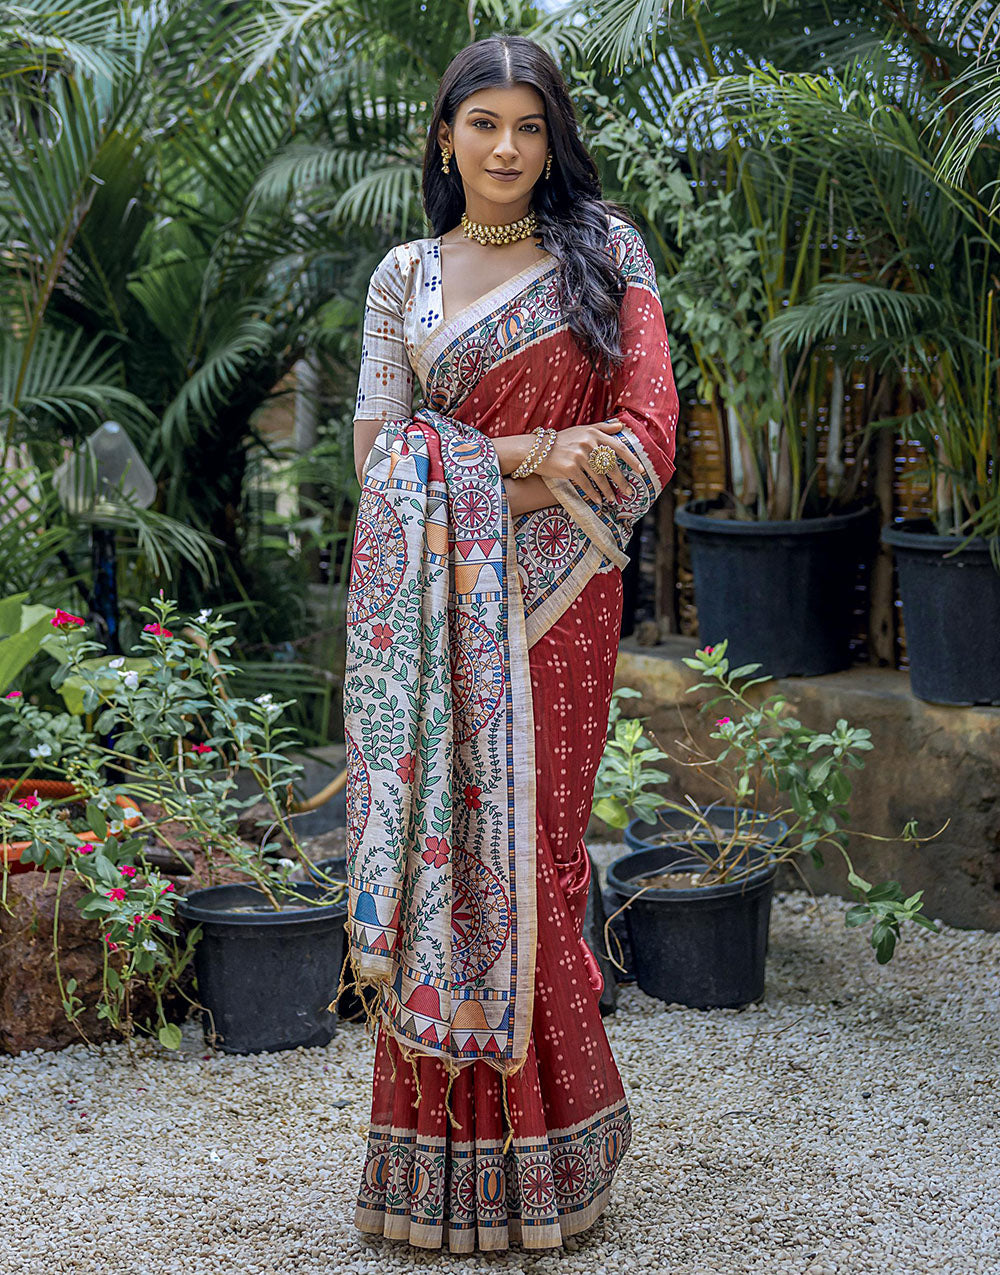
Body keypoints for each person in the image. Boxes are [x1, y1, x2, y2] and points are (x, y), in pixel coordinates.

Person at [344, 33, 678, 1254]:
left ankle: (544, 1171)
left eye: (527, 128)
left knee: (534, 865)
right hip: (442, 623)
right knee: (451, 864)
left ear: (553, 142)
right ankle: (438, 1174)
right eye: (481, 123)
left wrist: (488, 473)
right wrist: (531, 457)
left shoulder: (605, 254)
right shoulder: (403, 280)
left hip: (562, 603)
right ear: (445, 138)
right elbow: (381, 466)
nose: (503, 148)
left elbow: (643, 442)